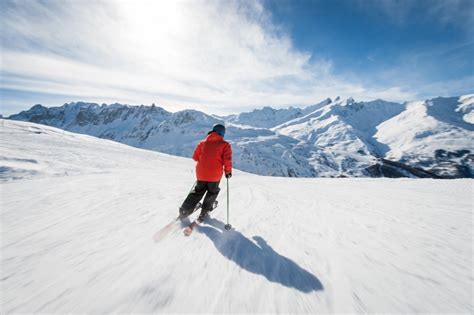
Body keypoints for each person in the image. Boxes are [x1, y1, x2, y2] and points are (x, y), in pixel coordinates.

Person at [179, 123, 232, 222]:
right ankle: (204, 212)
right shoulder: (225, 145)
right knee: (212, 192)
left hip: (201, 173)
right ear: (222, 133)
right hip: (215, 175)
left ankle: (184, 211)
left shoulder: (202, 143)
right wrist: (228, 172)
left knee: (197, 192)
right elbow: (227, 160)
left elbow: (195, 157)